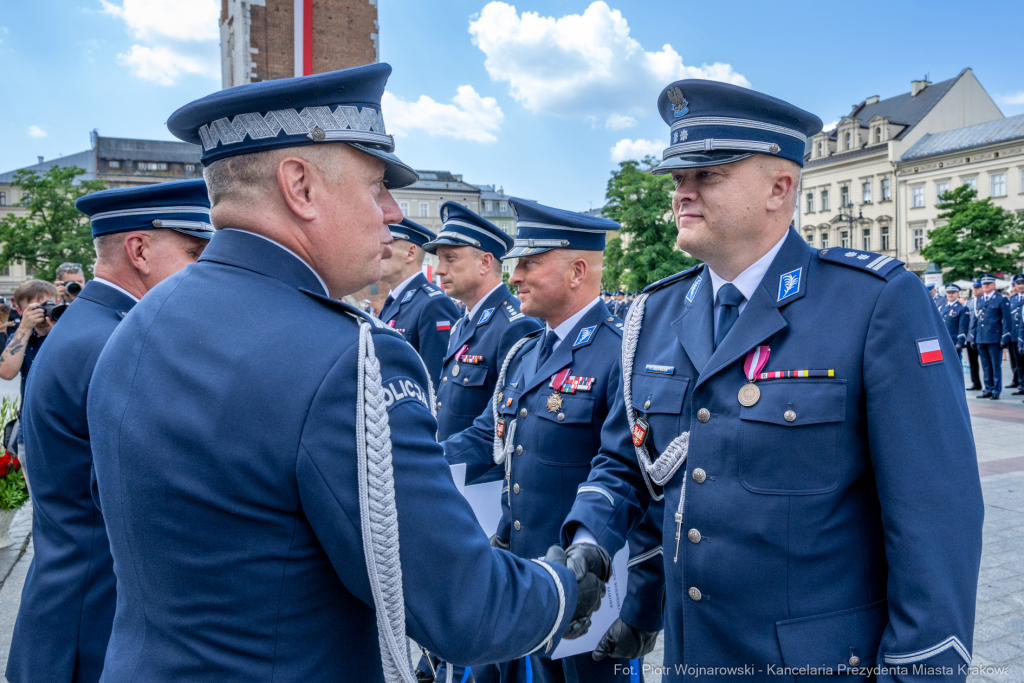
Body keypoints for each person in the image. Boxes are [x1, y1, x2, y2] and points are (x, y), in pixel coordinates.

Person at [88, 64, 609, 682]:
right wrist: (565, 588)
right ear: (300, 186)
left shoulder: (139, 324)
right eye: (376, 185)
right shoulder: (347, 360)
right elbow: (468, 608)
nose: (392, 211)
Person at [560, 79, 983, 681]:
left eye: (707, 175)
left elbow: (935, 519)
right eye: (678, 178)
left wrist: (921, 670)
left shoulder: (873, 303)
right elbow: (627, 461)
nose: (682, 193)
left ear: (779, 188)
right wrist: (590, 541)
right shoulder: (656, 313)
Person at [444, 198, 664, 683]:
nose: (515, 277)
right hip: (526, 581)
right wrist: (417, 463)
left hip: (593, 590)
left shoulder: (621, 354)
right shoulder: (526, 352)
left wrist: (642, 606)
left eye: (529, 263)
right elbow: (487, 436)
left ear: (577, 271)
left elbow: (638, 481)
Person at [6, 180, 213, 683]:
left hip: (73, 602)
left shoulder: (93, 325)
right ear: (139, 251)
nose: (205, 268)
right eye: (193, 253)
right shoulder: (118, 341)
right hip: (93, 619)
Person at [427, 202, 541, 443]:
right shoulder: (463, 324)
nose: (439, 270)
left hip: (480, 466)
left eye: (450, 258)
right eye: (439, 259)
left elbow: (506, 423)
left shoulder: (516, 326)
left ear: (485, 263)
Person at [378, 218, 460, 382]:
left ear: (410, 253)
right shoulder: (394, 300)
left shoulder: (433, 304)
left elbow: (435, 381)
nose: (378, 252)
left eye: (386, 244)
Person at [0, 280, 58, 400]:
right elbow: (6, 373)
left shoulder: (70, 332)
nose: (42, 312)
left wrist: (60, 332)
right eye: (35, 308)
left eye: (47, 305)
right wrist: (24, 327)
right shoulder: (20, 337)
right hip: (31, 407)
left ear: (57, 303)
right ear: (20, 311)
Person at [970, 273, 1012, 399]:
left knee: (995, 366)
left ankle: (995, 390)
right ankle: (987, 388)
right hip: (981, 337)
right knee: (985, 366)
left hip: (994, 338)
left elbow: (1007, 320)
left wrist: (1005, 337)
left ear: (994, 285)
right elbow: (976, 320)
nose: (986, 286)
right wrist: (973, 337)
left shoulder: (1001, 299)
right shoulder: (980, 299)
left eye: (988, 284)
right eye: (984, 284)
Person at [938, 283, 969, 363]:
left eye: (953, 293)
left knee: (955, 365)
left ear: (958, 294)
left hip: (954, 342)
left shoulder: (962, 308)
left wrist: (960, 342)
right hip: (942, 342)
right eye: (948, 293)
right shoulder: (942, 308)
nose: (950, 295)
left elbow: (963, 326)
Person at [965, 281, 983, 390]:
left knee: (986, 363)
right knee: (972, 362)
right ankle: (976, 383)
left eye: (978, 287)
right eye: (974, 288)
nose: (975, 289)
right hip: (969, 336)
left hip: (982, 336)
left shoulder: (984, 300)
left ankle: (989, 386)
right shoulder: (969, 302)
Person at [1008, 274, 1024, 395]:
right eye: (1018, 284)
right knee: (1018, 363)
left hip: (1022, 335)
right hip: (1014, 334)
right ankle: (1021, 385)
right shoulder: (1012, 299)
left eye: (1022, 283)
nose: (1020, 286)